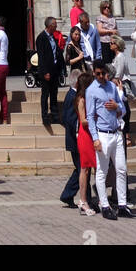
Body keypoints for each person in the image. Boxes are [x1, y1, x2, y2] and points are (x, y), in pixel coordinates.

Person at [86, 59, 131, 219]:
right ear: (93, 73)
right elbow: (90, 117)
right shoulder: (91, 90)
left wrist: (117, 107)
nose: (100, 76)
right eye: (97, 74)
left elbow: (123, 108)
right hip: (103, 134)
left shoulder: (112, 86)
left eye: (102, 73)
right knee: (101, 171)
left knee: (121, 169)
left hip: (116, 132)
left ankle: (122, 205)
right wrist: (95, 138)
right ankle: (104, 205)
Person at [73, 68, 98, 215]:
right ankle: (83, 200)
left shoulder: (87, 98)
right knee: (85, 168)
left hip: (90, 135)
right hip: (85, 135)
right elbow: (83, 121)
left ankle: (90, 199)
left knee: (93, 168)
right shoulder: (81, 99)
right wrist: (96, 119)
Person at [59, 67, 83, 208]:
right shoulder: (72, 96)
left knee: (81, 169)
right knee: (82, 169)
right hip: (75, 141)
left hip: (74, 139)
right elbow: (69, 119)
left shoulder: (72, 95)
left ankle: (68, 195)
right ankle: (73, 195)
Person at [37, 15, 64, 125]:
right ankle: (45, 115)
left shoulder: (53, 37)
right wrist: (45, 72)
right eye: (54, 25)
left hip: (54, 70)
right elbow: (42, 56)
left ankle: (55, 115)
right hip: (46, 71)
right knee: (45, 94)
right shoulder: (41, 38)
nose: (56, 27)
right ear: (49, 26)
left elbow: (55, 52)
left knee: (54, 93)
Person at [109, 35, 133, 149]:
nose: (110, 45)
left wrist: (112, 80)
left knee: (125, 109)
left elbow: (119, 73)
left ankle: (127, 135)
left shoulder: (120, 57)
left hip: (121, 85)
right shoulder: (116, 57)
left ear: (117, 45)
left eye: (112, 43)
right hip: (117, 85)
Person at [96, 0, 117, 65]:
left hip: (113, 42)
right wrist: (110, 31)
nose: (107, 9)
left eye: (108, 7)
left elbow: (116, 29)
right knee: (107, 62)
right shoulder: (100, 18)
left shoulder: (112, 18)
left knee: (114, 60)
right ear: (102, 8)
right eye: (105, 7)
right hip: (105, 43)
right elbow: (100, 30)